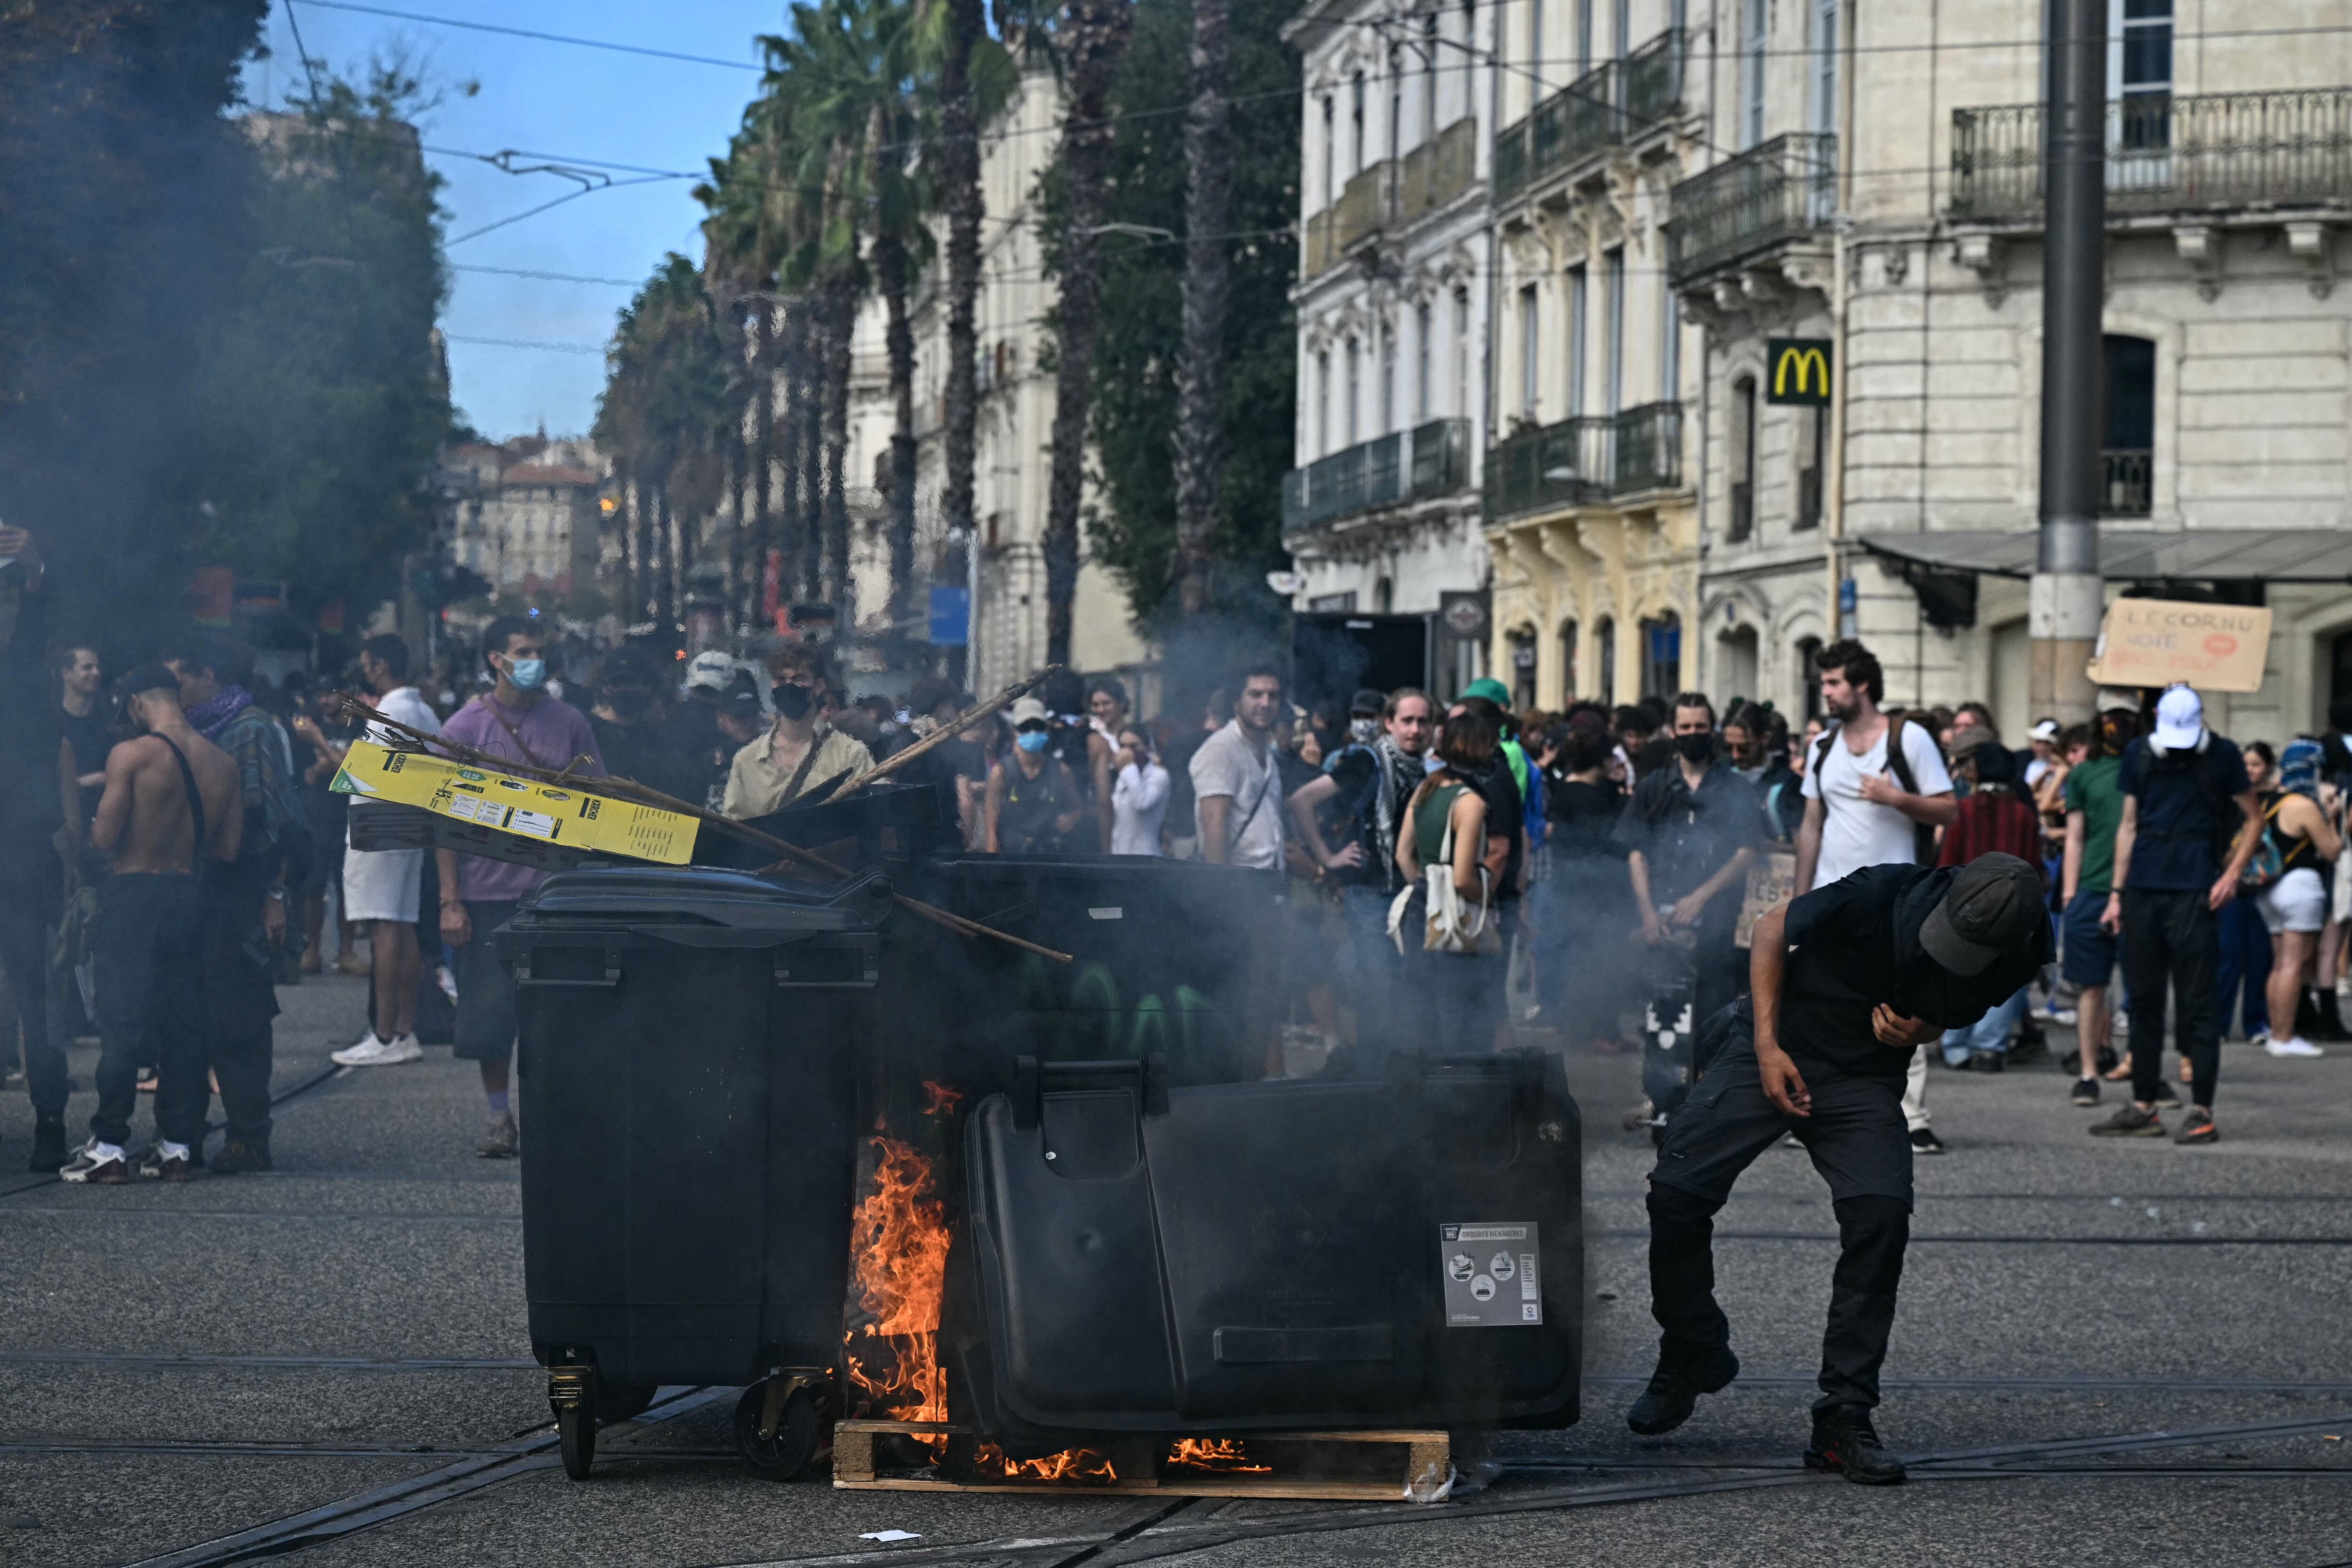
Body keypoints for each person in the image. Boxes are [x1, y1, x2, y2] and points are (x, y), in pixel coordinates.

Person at [1630, 853, 2052, 1483]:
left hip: (1862, 1077)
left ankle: (1844, 1415)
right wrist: (1768, 1048)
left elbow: (1973, 1000)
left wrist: (1928, 1027)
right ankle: (1693, 1348)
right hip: (1774, 1042)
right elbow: (1773, 926)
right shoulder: (1885, 888)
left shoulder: (2028, 939)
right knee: (1675, 1193)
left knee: (1880, 1214)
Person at [63, 666, 241, 1184]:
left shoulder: (134, 754)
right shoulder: (223, 763)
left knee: (121, 1025)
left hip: (134, 896)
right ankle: (177, 1144)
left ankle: (110, 1145)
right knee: (184, 1030)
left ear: (137, 703)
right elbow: (227, 848)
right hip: (189, 899)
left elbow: (103, 839)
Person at [436, 618, 605, 1158]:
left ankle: (548, 1113)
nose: (533, 658)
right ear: (496, 659)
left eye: (539, 650)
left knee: (554, 1013)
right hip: (486, 896)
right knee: (491, 1015)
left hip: (555, 895)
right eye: (522, 650)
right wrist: (450, 901)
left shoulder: (569, 723)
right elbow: (443, 820)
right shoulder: (463, 729)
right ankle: (497, 1116)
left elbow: (597, 800)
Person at [1795, 641, 1958, 1154]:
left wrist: (1896, 799)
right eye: (1822, 683)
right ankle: (1815, 1111)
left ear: (1861, 684)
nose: (1825, 692)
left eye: (1833, 682)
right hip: (1831, 899)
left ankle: (1911, 1118)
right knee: (1823, 1004)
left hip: (1897, 900)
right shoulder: (1823, 745)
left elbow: (1948, 810)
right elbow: (1809, 824)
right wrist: (1798, 901)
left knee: (1902, 1002)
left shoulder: (1906, 738)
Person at [2093, 685, 2260, 1144]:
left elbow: (2253, 817)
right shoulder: (2138, 753)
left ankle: (2201, 1109)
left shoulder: (2222, 754)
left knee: (2197, 1007)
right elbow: (2127, 825)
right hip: (2143, 889)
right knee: (2142, 1004)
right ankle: (2144, 1105)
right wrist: (2114, 893)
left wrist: (2230, 875)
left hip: (2195, 890)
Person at [167, 638, 301, 1173]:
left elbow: (273, 822)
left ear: (207, 675)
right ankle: (186, 1130)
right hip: (193, 892)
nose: (174, 689)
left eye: (181, 677)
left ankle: (248, 1135)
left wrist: (273, 896)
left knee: (240, 1018)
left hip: (238, 889)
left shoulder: (249, 728)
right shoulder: (192, 728)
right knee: (190, 1016)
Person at [1617, 694, 1759, 1127]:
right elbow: (1636, 852)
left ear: (1711, 730)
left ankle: (1707, 1101)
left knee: (1715, 1013)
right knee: (1661, 1014)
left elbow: (1747, 851)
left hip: (1716, 925)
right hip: (1661, 923)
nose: (1694, 734)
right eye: (1686, 727)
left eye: (1702, 726)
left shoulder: (1734, 789)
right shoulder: (1654, 788)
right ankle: (1662, 1100)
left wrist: (1702, 897)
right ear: (1674, 731)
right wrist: (1646, 914)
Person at [1286, 687, 1431, 1068]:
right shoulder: (1368, 762)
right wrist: (1328, 857)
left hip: (1413, 893)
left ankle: (1397, 1069)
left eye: (1423, 721)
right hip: (1370, 893)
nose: (1415, 730)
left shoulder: (1427, 769)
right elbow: (1301, 801)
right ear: (1389, 723)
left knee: (1409, 984)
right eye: (1407, 721)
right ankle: (1375, 1071)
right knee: (1379, 983)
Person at [332, 634, 440, 1067]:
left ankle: (384, 1033)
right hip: (408, 824)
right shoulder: (423, 709)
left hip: (378, 826)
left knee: (384, 927)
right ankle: (404, 1030)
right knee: (402, 922)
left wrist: (330, 753)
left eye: (367, 664)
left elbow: (367, 774)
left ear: (378, 666)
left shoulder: (390, 710)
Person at [1395, 708, 1511, 1054]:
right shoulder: (1470, 802)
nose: (1493, 753)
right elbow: (1463, 878)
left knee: (1425, 1018)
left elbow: (1403, 853)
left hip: (1420, 913)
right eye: (1489, 745)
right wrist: (1488, 900)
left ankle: (1427, 1097)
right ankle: (1459, 1097)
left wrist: (1428, 890)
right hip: (1455, 927)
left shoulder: (1426, 789)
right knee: (1462, 1023)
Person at [1934, 743, 2044, 1070]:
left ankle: (1957, 1046)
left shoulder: (1963, 810)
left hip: (1965, 906)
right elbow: (2033, 863)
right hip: (2011, 905)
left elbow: (1947, 862)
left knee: (1960, 974)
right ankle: (1991, 1047)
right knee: (2002, 978)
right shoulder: (2022, 813)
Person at [1535, 718, 1632, 1051]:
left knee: (1577, 958)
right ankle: (1596, 1032)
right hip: (1593, 890)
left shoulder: (1567, 788)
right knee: (1595, 960)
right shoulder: (1589, 797)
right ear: (1603, 760)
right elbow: (1612, 839)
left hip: (1568, 886)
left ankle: (1588, 1029)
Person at [2061, 706, 2140, 1105]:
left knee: (2142, 985)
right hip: (2091, 889)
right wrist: (2070, 893)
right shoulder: (2084, 773)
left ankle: (2139, 1065)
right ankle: (2089, 1071)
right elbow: (2075, 836)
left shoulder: (2147, 767)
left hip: (2138, 890)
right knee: (2091, 988)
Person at [2250, 738, 2340, 1059]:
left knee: (2278, 964)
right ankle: (2285, 1037)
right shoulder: (2304, 806)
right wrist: (2330, 816)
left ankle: (2276, 1031)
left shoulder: (2268, 801)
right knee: (2294, 964)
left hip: (2269, 889)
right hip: (2300, 887)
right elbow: (2332, 850)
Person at [721, 642, 873, 819]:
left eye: (798, 679)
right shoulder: (747, 760)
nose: (788, 686)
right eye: (781, 680)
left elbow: (870, 818)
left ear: (819, 686)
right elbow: (733, 828)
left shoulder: (851, 755)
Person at [288, 687, 363, 977]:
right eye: (320, 695)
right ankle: (312, 950)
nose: (325, 701)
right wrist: (336, 760)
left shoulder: (361, 727)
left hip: (349, 816)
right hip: (318, 817)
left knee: (348, 888)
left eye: (332, 695)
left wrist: (330, 761)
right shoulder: (305, 732)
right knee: (314, 886)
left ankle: (347, 952)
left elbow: (354, 771)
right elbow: (308, 775)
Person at [1192, 665, 1288, 871]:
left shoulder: (1268, 753)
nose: (1265, 703)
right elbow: (1214, 824)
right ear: (1237, 702)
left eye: (1273, 696)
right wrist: (1224, 890)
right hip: (1239, 885)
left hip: (1269, 883)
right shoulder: (1221, 749)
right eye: (1256, 695)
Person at [587, 645, 708, 806]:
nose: (626, 690)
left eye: (633, 683)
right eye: (618, 683)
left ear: (648, 687)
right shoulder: (585, 734)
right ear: (605, 688)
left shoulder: (663, 745)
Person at [2215, 741, 2278, 1048]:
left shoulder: (2278, 799)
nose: (2250, 770)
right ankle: (2219, 1023)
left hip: (2262, 887)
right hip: (2232, 885)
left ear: (2268, 766)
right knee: (2228, 956)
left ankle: (2257, 1022)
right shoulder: (2229, 798)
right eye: (2246, 764)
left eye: (2256, 764)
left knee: (2259, 957)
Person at [985, 695, 1085, 854]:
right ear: (1014, 730)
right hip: (1012, 856)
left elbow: (1078, 809)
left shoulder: (1061, 770)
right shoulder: (1001, 773)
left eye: (1038, 726)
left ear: (1046, 727)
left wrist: (1070, 819)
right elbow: (991, 827)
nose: (1032, 732)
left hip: (1050, 855)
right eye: (1025, 727)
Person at [57, 644, 109, 824]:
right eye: (87, 667)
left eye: (98, 667)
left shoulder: (108, 726)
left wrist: (103, 778)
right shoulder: (52, 724)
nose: (96, 673)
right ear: (66, 673)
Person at [1109, 725, 1169, 855]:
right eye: (1123, 747)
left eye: (1133, 746)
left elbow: (1142, 803)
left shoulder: (1159, 775)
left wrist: (1129, 767)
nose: (1128, 752)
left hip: (1145, 855)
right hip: (1121, 854)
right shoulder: (1124, 777)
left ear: (1147, 747)